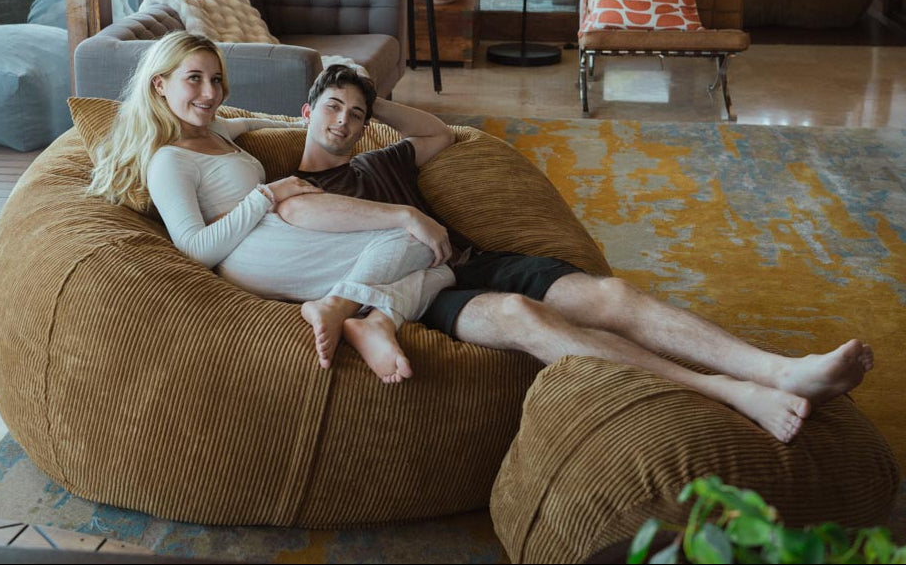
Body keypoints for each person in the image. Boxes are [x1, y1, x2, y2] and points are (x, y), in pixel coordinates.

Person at [280, 64, 875, 444]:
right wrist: (405, 214)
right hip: (415, 297)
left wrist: (371, 100)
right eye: (332, 107)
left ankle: (779, 370)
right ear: (305, 114)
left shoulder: (378, 158)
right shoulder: (295, 190)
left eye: (354, 115)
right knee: (521, 316)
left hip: (470, 260)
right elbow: (297, 216)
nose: (344, 120)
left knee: (609, 294)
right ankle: (730, 393)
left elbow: (438, 134)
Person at [86, 31, 456, 383]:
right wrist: (267, 195)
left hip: (270, 233)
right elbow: (195, 250)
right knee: (417, 241)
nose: (209, 92)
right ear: (160, 84)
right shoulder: (168, 161)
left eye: (216, 80)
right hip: (249, 253)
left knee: (443, 270)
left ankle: (377, 321)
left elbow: (249, 121)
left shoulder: (212, 129)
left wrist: (309, 121)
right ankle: (337, 306)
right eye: (194, 79)